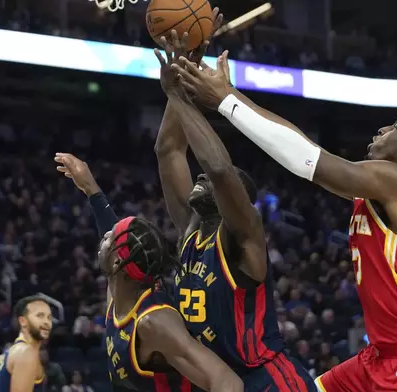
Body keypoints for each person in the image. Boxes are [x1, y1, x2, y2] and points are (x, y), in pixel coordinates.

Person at [171, 46, 397, 391]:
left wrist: (225, 102)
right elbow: (303, 146)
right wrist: (231, 93)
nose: (383, 128)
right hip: (379, 356)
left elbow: (307, 160)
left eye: (396, 127)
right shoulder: (379, 194)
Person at [153, 32, 316, 392]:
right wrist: (189, 59)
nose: (200, 176)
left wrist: (178, 95)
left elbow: (218, 168)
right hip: (221, 381)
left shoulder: (244, 235)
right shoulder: (192, 227)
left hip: (268, 381)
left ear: (236, 197)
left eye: (212, 184)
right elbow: (168, 151)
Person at [54, 152, 243, 392]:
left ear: (117, 262)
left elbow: (229, 383)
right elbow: (116, 235)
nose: (105, 235)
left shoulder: (154, 321)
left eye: (110, 239)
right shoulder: (122, 287)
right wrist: (91, 188)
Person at [0, 296, 52, 392]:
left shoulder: (11, 352)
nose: (46, 322)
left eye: (48, 317)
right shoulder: (25, 353)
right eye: (39, 316)